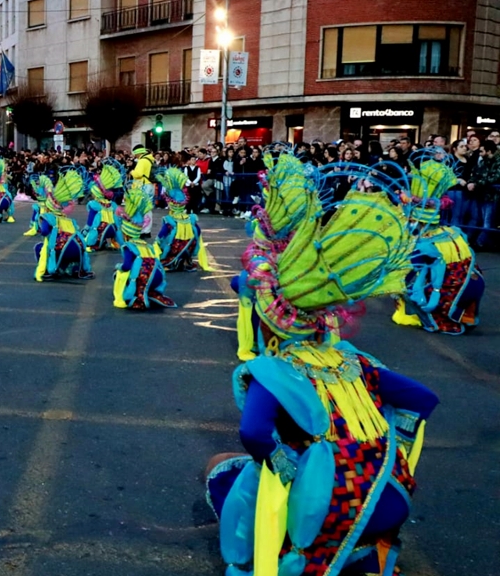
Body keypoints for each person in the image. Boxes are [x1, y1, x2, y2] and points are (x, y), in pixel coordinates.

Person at [205, 173, 439, 576]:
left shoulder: (275, 371)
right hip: (391, 493)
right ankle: (369, 552)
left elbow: (255, 435)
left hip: (327, 509)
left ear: (272, 323)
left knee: (223, 472)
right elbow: (423, 400)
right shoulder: (357, 362)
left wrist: (289, 469)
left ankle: (284, 555)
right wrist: (387, 446)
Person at [393, 159, 485, 334]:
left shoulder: (423, 243)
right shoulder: (454, 233)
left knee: (407, 283)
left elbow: (406, 275)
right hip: (476, 284)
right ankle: (466, 315)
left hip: (456, 291)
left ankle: (431, 317)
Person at [113, 185, 175, 310]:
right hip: (158, 278)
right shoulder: (148, 246)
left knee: (119, 273)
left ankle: (132, 294)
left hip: (144, 278)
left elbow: (126, 266)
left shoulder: (129, 246)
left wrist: (119, 267)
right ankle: (152, 291)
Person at [34, 169, 93, 282]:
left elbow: (45, 232)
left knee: (41, 247)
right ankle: (75, 268)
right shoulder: (70, 220)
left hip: (62, 249)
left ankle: (48, 270)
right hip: (78, 250)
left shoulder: (49, 217)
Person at [155, 168, 210, 272]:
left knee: (162, 241)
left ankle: (171, 260)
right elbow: (198, 234)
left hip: (173, 250)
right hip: (188, 251)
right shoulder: (191, 219)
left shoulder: (169, 220)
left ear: (170, 204)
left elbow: (160, 237)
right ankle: (185, 260)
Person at [82, 162, 123, 252]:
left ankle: (92, 244)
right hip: (113, 230)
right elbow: (119, 220)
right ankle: (114, 242)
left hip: (101, 230)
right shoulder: (112, 204)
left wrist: (83, 234)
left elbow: (89, 223)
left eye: (92, 193)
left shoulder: (94, 204)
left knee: (92, 229)